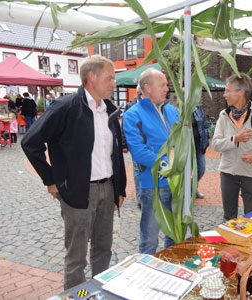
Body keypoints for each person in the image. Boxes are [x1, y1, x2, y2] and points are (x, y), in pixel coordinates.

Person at [21, 55, 127, 289]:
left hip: (107, 190)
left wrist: (119, 188)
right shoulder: (66, 107)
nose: (113, 84)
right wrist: (50, 180)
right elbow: (30, 143)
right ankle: (76, 296)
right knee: (76, 258)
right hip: (78, 192)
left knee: (103, 250)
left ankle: (99, 292)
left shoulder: (109, 110)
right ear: (92, 77)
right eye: (109, 78)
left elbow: (115, 153)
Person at [123, 68, 179, 254]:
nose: (167, 88)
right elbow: (139, 152)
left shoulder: (171, 111)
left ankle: (170, 265)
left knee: (175, 233)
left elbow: (180, 142)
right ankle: (147, 272)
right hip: (153, 184)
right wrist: (168, 164)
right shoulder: (133, 115)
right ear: (147, 87)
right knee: (150, 238)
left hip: (176, 182)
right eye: (162, 84)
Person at [212, 73, 252, 221]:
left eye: (228, 91)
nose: (224, 95)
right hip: (228, 172)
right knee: (229, 217)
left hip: (251, 174)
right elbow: (215, 144)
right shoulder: (223, 115)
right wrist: (236, 139)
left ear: (240, 92)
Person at [123, 85, 143, 209]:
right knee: (137, 170)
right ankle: (140, 197)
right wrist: (125, 144)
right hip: (136, 143)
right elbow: (124, 126)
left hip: (147, 144)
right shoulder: (131, 106)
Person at [192, 105, 210, 198]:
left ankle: (192, 187)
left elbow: (204, 125)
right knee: (186, 171)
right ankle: (190, 189)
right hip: (186, 146)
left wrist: (206, 139)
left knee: (201, 169)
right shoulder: (179, 110)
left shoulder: (198, 109)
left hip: (199, 144)